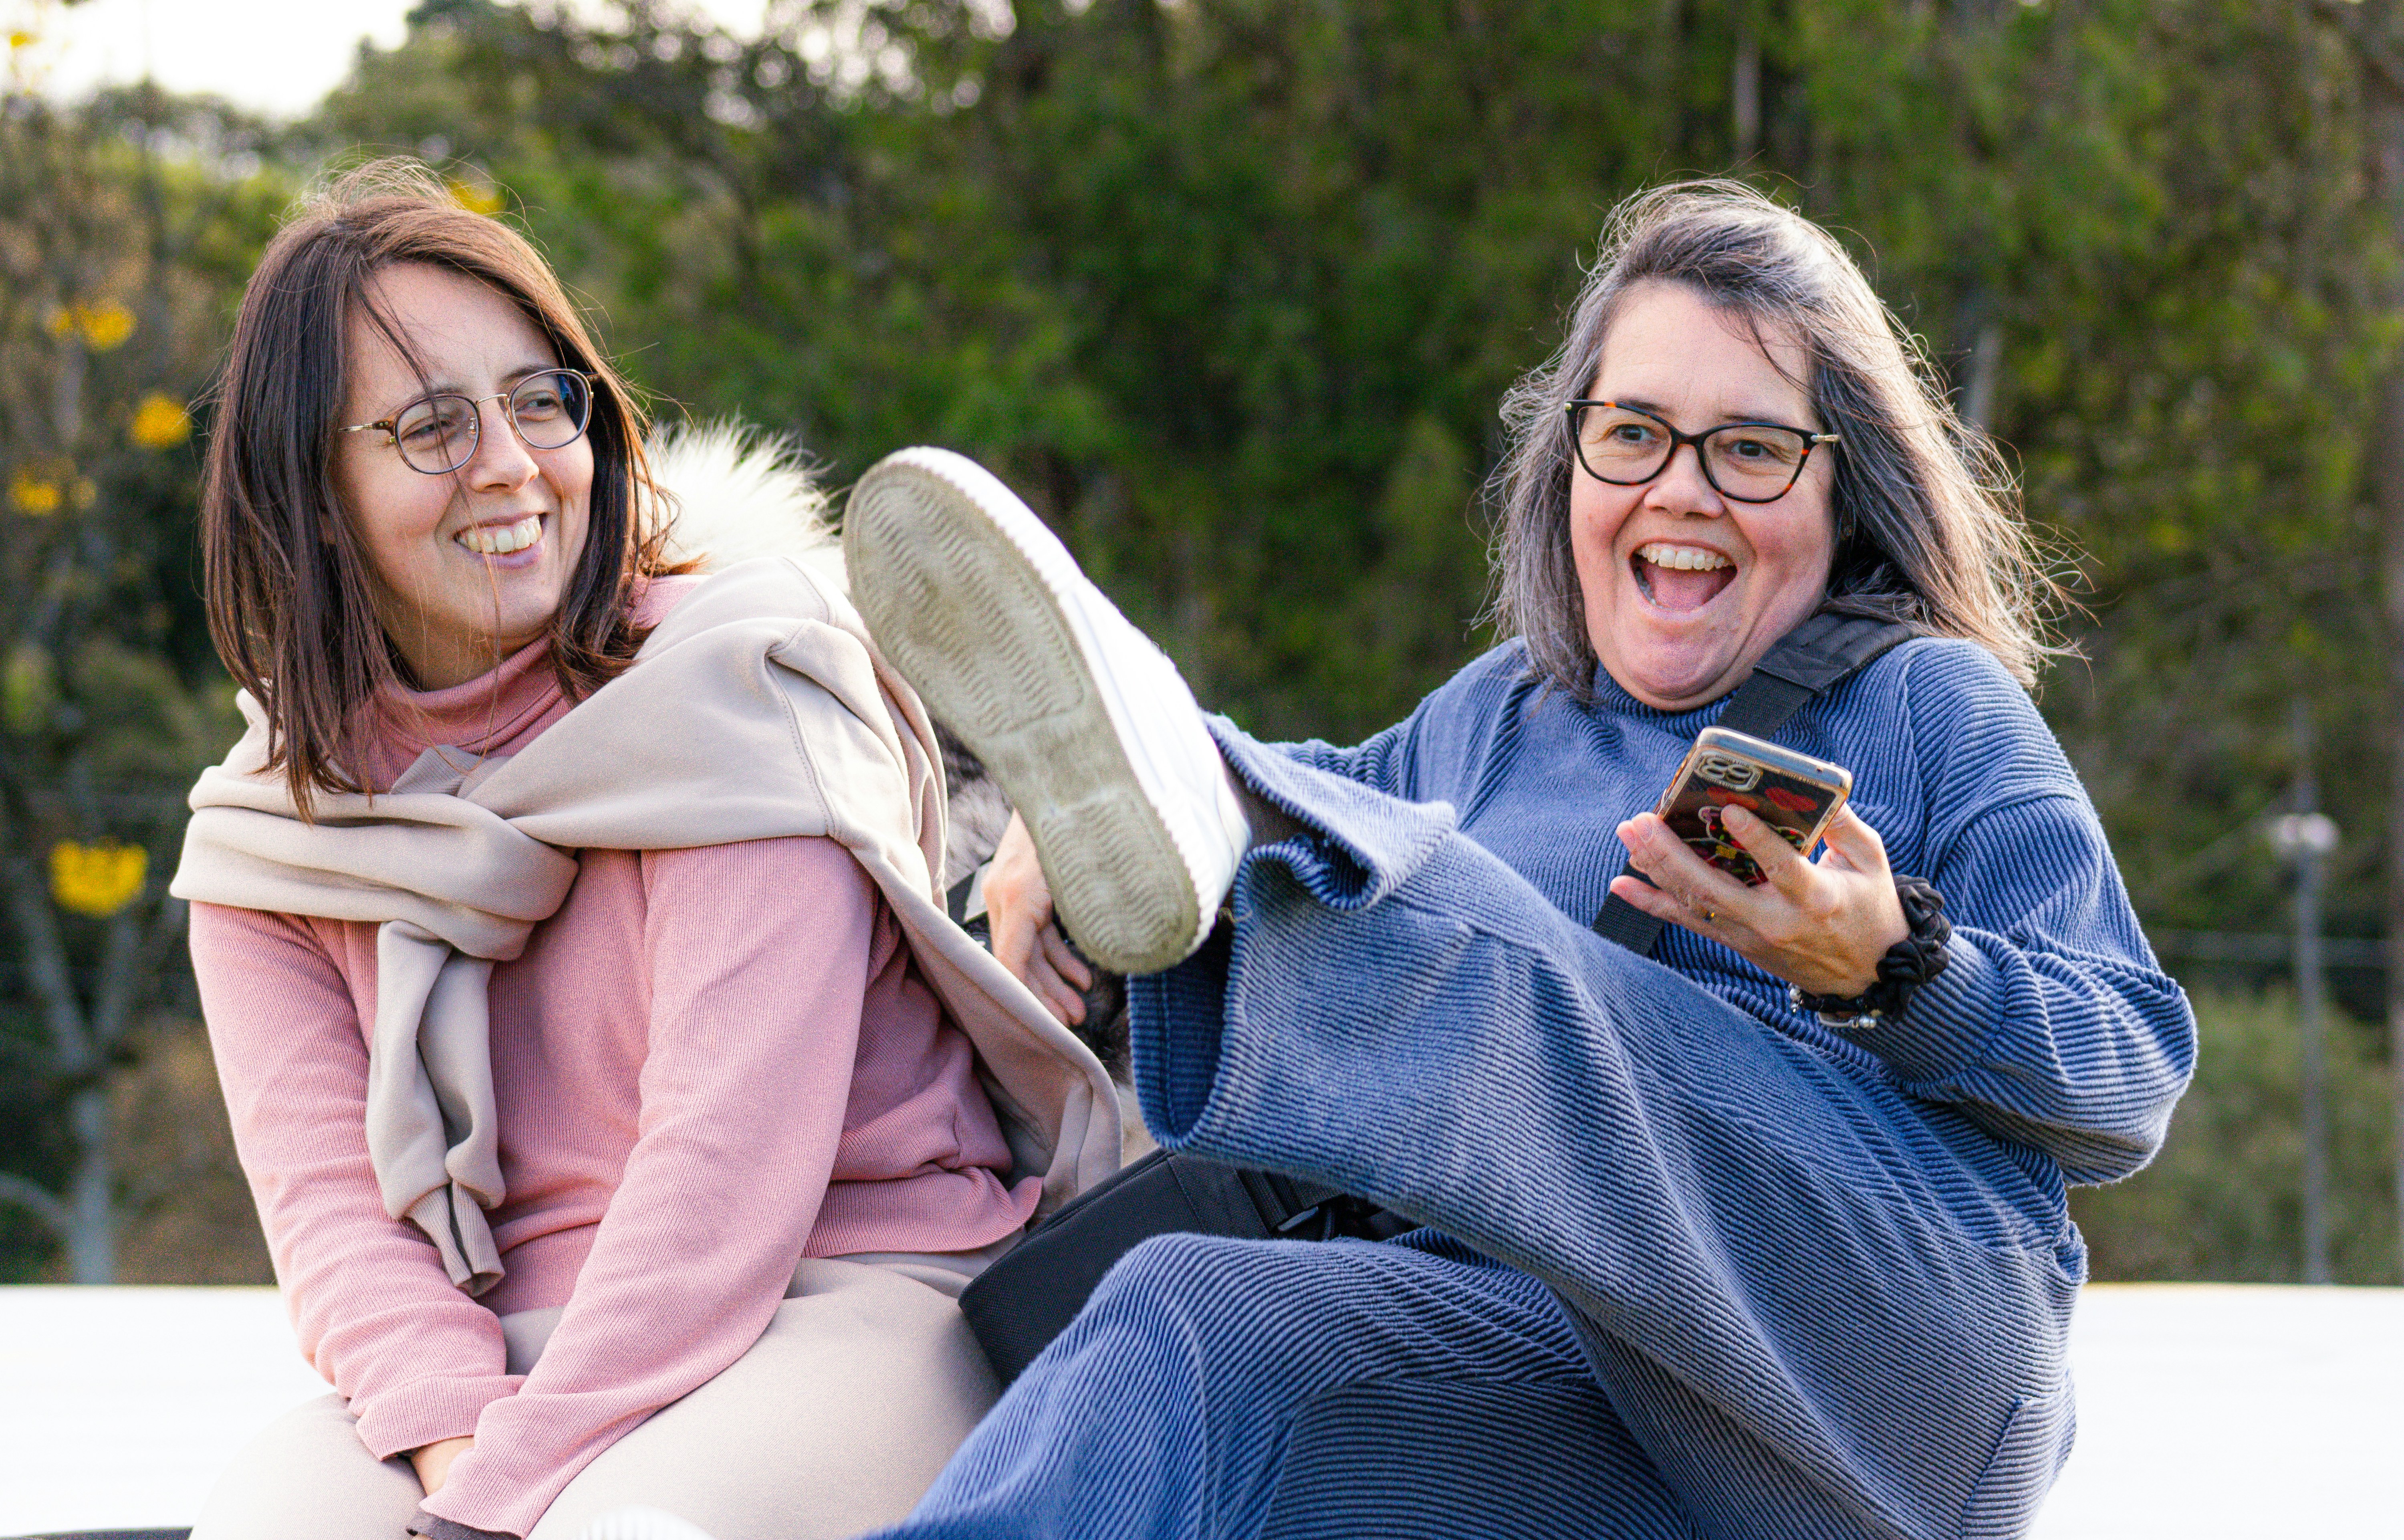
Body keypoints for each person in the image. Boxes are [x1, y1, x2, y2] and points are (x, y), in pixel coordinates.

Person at [736, 179, 2192, 1540]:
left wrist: (1893, 968)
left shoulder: (1927, 704)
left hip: (1897, 1378)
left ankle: (1185, 758)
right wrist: (1086, 904)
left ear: (1840, 489)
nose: (1682, 491)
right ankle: (1166, 772)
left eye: (1750, 449)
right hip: (1608, 1405)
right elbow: (1330, 861)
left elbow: (2129, 1075)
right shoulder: (1494, 721)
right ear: (1571, 465)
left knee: (1451, 931)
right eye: (1633, 435)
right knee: (1190, 1324)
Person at [169, 161, 1120, 1540]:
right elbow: (340, 1237)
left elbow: (718, 1190)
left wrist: (494, 1510)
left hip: (841, 1295)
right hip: (496, 1353)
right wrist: (455, 1451)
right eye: (431, 427)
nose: (509, 465)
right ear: (315, 494)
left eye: (539, 401)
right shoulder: (272, 840)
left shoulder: (732, 692)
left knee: (629, 1533)